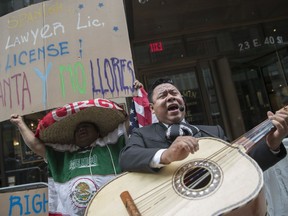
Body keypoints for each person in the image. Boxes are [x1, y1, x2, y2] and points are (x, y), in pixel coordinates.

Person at [10, 82, 143, 216]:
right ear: (73, 137)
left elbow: (129, 123)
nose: (82, 129)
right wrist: (20, 123)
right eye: (78, 129)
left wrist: (137, 96)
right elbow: (36, 146)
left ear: (98, 132)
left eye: (86, 126)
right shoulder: (63, 153)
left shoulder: (110, 143)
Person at [119, 78, 288, 173]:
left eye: (174, 93)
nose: (170, 97)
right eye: (163, 96)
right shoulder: (142, 134)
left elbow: (241, 166)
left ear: (182, 101)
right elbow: (126, 159)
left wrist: (271, 143)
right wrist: (167, 155)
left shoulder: (214, 132)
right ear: (152, 109)